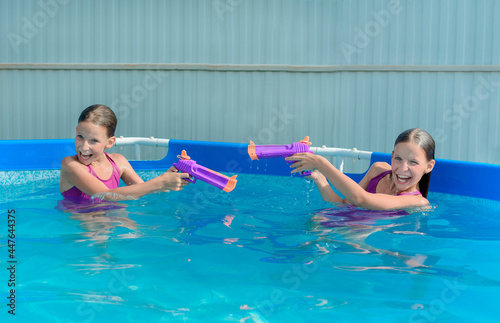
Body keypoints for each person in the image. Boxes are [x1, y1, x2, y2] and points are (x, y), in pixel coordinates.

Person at [60, 104, 190, 201]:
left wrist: (171, 178)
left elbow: (144, 190)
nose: (84, 147)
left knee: (137, 233)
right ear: (76, 130)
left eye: (94, 141)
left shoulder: (119, 162)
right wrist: (160, 182)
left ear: (110, 142)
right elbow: (105, 195)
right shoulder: (70, 165)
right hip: (81, 221)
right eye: (80, 136)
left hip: (114, 215)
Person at [286, 128, 436, 210]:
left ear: (429, 166)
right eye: (398, 158)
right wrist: (320, 179)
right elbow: (343, 205)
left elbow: (361, 199)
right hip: (343, 230)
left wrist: (321, 163)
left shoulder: (417, 202)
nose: (403, 168)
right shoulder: (378, 170)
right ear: (391, 157)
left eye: (413, 162)